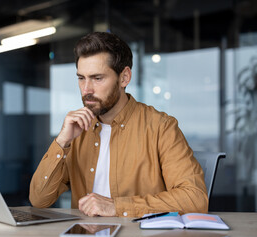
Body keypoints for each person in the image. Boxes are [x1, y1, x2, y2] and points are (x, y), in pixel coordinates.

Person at [29, 32, 208, 217]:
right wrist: (62, 142)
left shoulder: (161, 127)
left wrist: (118, 207)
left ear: (124, 78)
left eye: (97, 78)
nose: (86, 90)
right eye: (81, 78)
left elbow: (194, 199)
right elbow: (39, 199)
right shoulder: (76, 129)